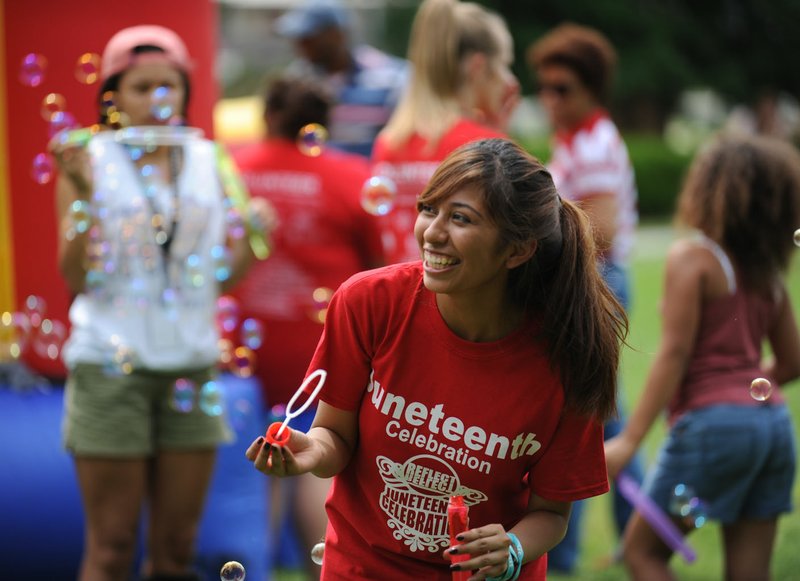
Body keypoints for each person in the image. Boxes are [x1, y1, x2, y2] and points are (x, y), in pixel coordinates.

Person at [245, 137, 628, 580]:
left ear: (517, 250)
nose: (432, 232)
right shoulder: (369, 302)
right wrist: (310, 451)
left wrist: (514, 547)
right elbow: (335, 437)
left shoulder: (566, 356)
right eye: (429, 209)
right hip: (362, 569)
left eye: (460, 218)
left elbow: (553, 514)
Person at [49, 25, 271, 581]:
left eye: (167, 86)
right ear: (113, 97)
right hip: (108, 364)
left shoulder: (211, 159)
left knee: (176, 550)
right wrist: (85, 195)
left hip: (191, 367)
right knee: (113, 546)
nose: (157, 100)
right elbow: (75, 274)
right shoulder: (86, 158)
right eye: (141, 87)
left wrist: (251, 238)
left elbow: (219, 280)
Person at [605, 133, 800, 580]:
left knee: (643, 553)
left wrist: (630, 440)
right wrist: (744, 391)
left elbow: (674, 352)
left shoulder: (693, 258)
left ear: (708, 188)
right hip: (774, 431)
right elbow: (792, 362)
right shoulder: (767, 272)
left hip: (712, 433)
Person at [232, 75, 385, 579]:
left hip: (239, 345)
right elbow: (379, 269)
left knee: (257, 466)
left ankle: (256, 567)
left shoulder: (232, 170)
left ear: (267, 116)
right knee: (312, 456)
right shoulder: (351, 177)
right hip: (322, 350)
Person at [526, 22, 643, 572]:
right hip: (589, 281)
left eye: (563, 88)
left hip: (594, 283)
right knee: (584, 421)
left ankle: (631, 539)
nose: (550, 99)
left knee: (597, 424)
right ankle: (599, 546)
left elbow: (599, 235)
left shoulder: (593, 144)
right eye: (544, 87)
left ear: (592, 88)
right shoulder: (578, 136)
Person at [372, 0, 520, 265]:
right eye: (503, 64)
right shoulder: (487, 149)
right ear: (478, 67)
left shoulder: (389, 141)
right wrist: (502, 144)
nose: (509, 80)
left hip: (403, 294)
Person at [274, 0, 408, 158]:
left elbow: (402, 139)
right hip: (317, 178)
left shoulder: (390, 77)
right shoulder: (297, 79)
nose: (301, 45)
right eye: (298, 38)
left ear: (336, 34)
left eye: (308, 37)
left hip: (369, 176)